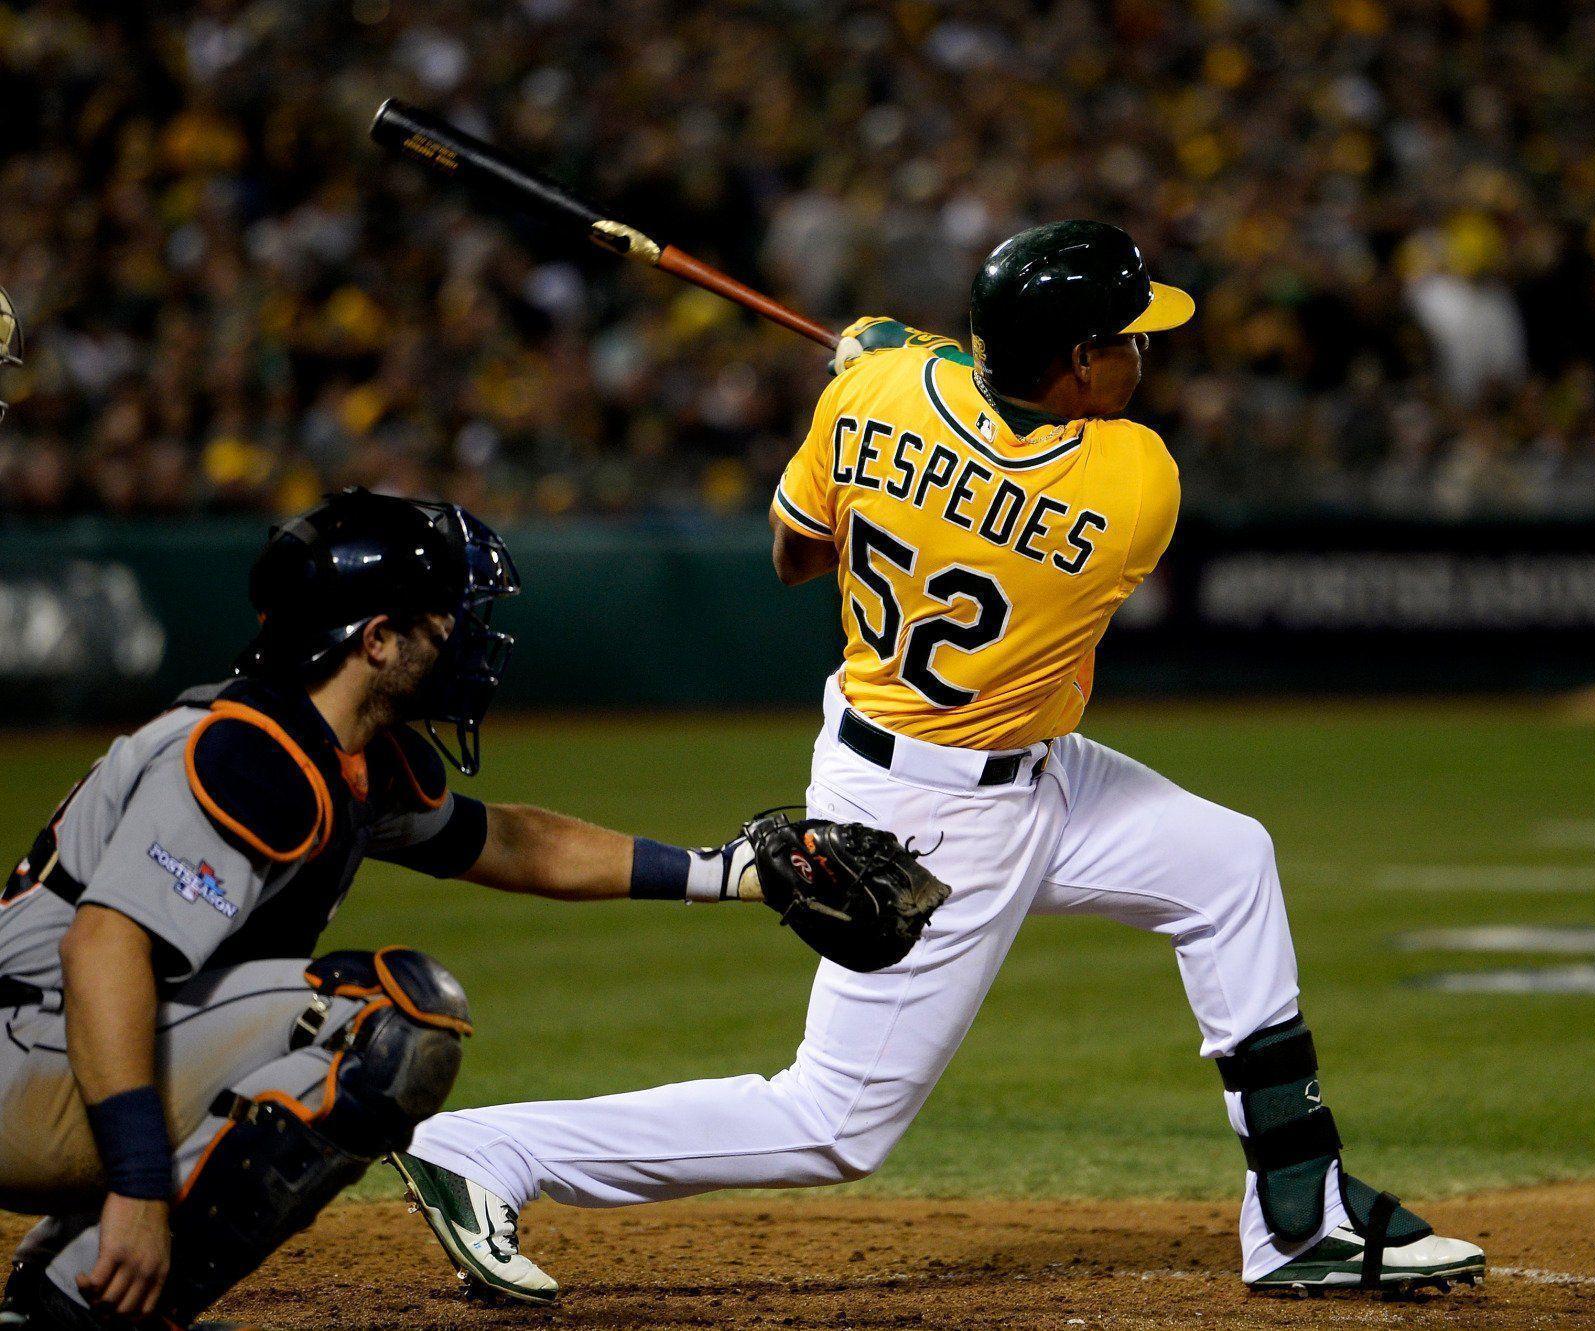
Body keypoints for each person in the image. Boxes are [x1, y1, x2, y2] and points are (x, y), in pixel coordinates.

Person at [394, 222, 1485, 1298]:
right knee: (832, 1122)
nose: (1142, 353)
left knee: (1227, 862)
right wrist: (904, 360)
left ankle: (1300, 1211)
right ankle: (489, 1149)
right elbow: (987, 417)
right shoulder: (1135, 482)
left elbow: (792, 556)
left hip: (1002, 760)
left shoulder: (878, 394)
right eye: (1124, 338)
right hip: (932, 819)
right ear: (1075, 362)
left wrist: (879, 381)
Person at [0, 460, 926, 1327]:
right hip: (28, 1053)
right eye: (442, 619)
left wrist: (727, 872)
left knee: (338, 1022)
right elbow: (102, 950)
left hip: (65, 1047)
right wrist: (137, 1184)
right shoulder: (248, 753)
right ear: (376, 639)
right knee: (381, 1026)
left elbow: (514, 842)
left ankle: (59, 1287)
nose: (463, 639)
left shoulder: (348, 754)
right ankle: (93, 1295)